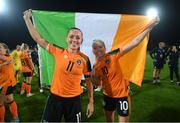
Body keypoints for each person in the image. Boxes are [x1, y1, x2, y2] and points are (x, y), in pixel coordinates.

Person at [23, 9, 94, 122]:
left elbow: (89, 82)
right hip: (55, 98)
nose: (74, 40)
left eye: (78, 37)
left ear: (82, 40)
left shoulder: (85, 59)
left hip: (74, 101)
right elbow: (38, 39)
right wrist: (27, 19)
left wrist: (91, 102)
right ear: (66, 39)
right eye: (71, 36)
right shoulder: (58, 51)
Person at [91, 18, 159, 122]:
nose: (98, 49)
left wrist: (150, 26)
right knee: (109, 120)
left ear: (105, 48)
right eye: (95, 48)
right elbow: (97, 83)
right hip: (107, 95)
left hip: (122, 95)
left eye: (100, 47)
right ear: (93, 51)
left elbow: (135, 42)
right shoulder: (95, 66)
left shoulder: (113, 56)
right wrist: (92, 75)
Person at [0, 43, 19, 122]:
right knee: (10, 100)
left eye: (0, 47)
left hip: (6, 83)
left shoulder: (8, 57)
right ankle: (15, 118)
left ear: (6, 49)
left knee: (1, 103)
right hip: (6, 82)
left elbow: (9, 60)